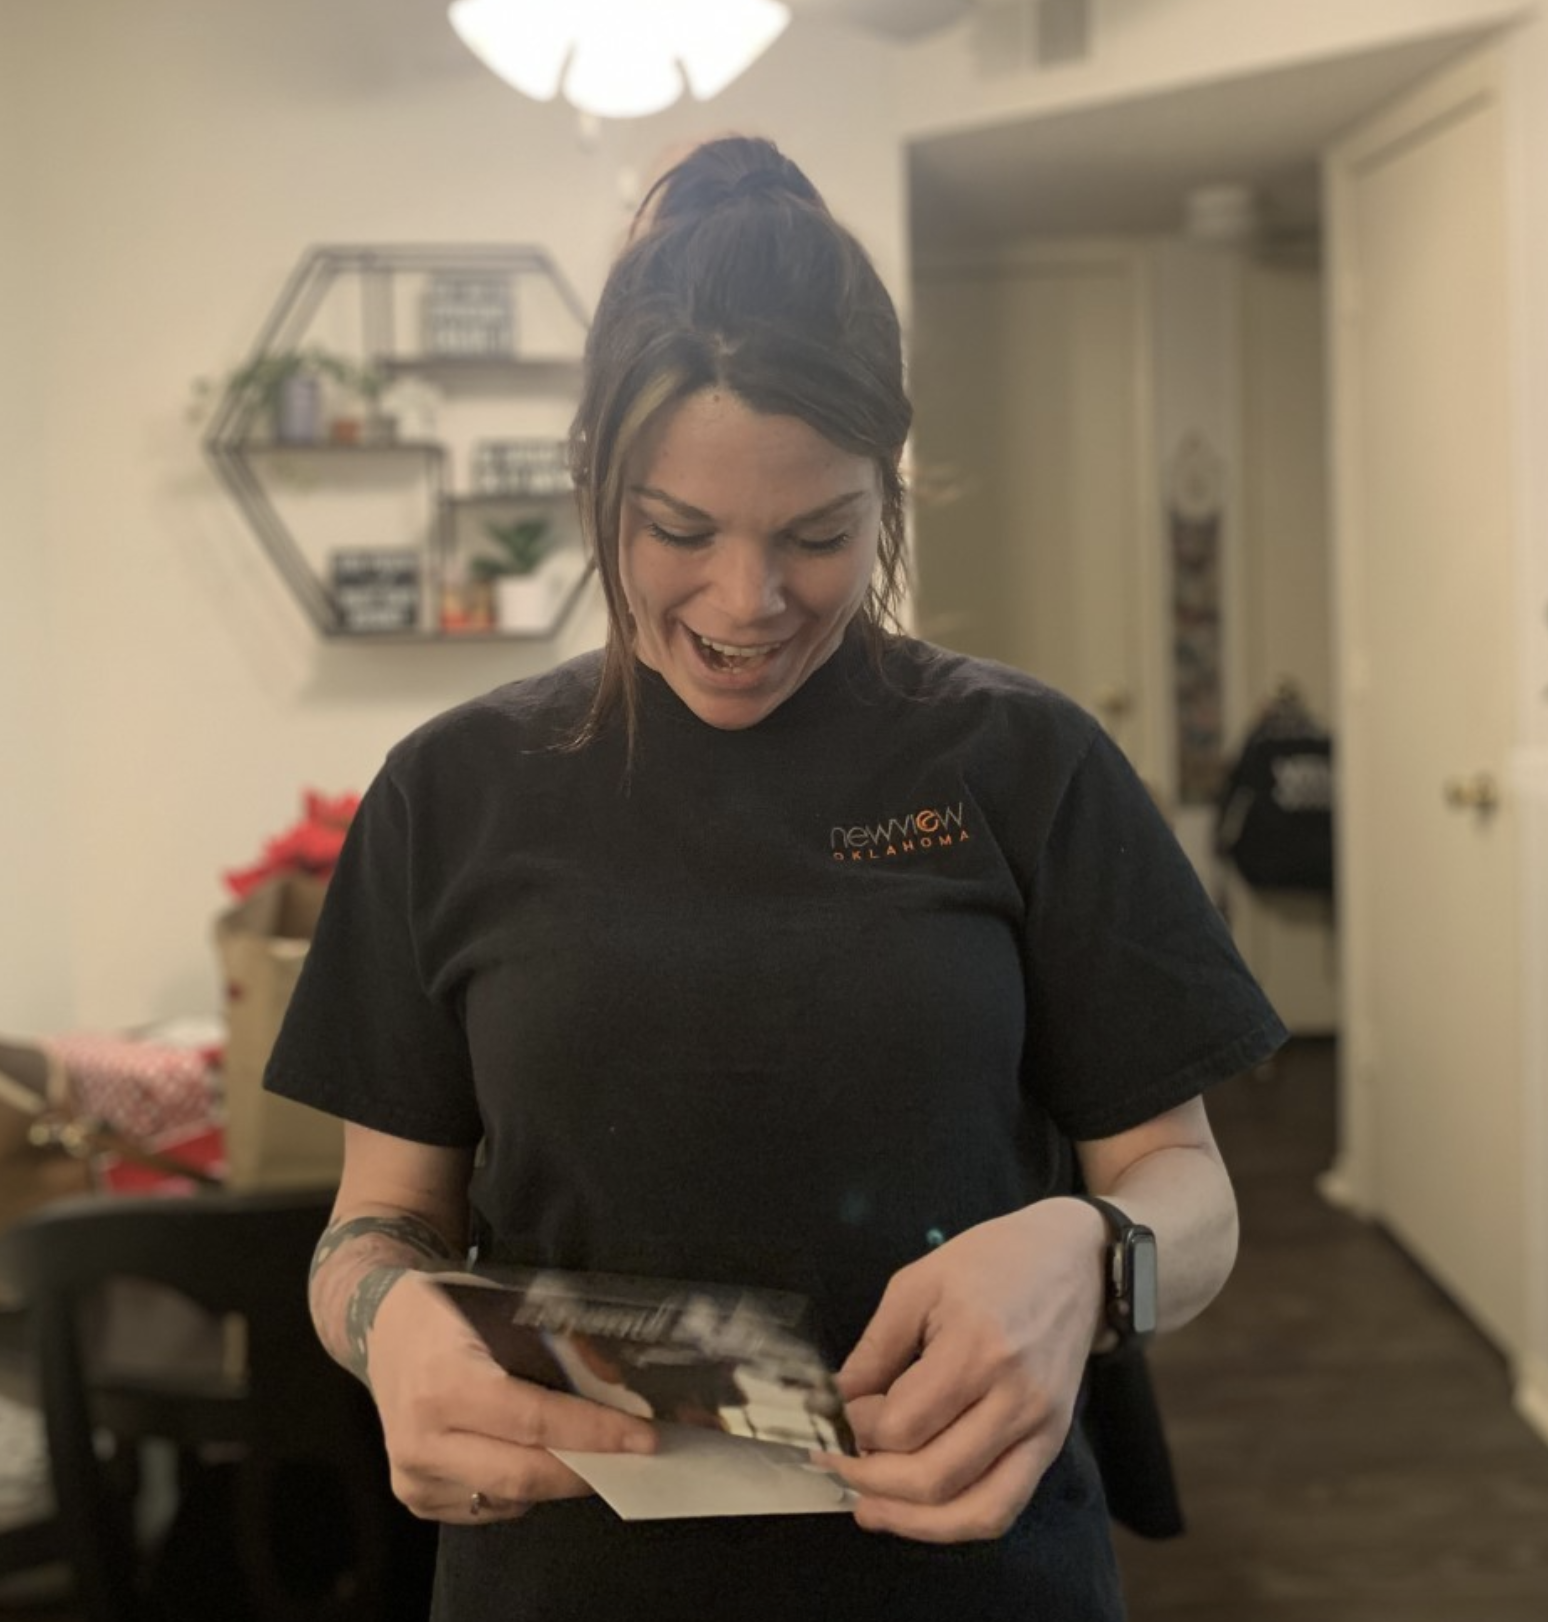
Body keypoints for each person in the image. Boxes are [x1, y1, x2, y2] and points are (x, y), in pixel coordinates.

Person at [266, 134, 1287, 1621]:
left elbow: (1188, 1192)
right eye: (678, 531)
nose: (748, 603)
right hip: (568, 1578)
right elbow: (375, 1225)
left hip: (969, 1571)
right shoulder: (454, 793)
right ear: (595, 479)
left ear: (893, 488)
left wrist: (1096, 1253)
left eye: (819, 534)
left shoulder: (1025, 764)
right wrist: (387, 1321)